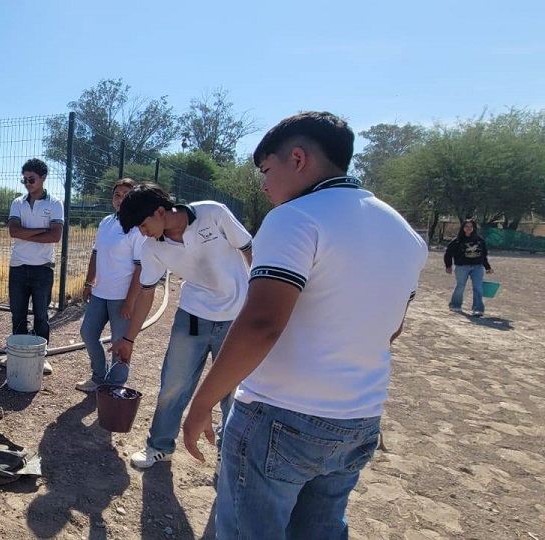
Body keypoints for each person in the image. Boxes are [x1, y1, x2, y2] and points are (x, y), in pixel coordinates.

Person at [180, 112, 428, 539]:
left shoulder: (293, 218)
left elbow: (261, 323)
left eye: (266, 170)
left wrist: (202, 404)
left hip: (280, 415)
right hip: (359, 417)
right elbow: (393, 330)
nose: (264, 185)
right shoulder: (403, 231)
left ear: (297, 159)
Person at [112, 183, 253, 469]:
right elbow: (147, 292)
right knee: (174, 384)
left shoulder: (213, 213)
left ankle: (229, 456)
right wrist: (128, 339)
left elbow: (249, 249)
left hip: (236, 316)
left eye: (143, 224)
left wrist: (260, 298)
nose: (143, 233)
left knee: (232, 390)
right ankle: (160, 446)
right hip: (193, 316)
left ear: (160, 211)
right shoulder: (153, 247)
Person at [76, 178, 145, 392]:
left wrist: (130, 301)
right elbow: (96, 253)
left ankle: (116, 384)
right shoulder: (106, 222)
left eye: (126, 195)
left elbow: (140, 267)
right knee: (88, 333)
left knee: (119, 342)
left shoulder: (137, 228)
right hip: (100, 292)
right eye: (117, 194)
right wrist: (89, 282)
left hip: (122, 296)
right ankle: (98, 377)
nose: (120, 199)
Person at [7, 158, 64, 374]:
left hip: (42, 268)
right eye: (24, 180)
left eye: (32, 179)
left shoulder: (55, 204)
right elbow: (13, 231)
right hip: (18, 266)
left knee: (41, 315)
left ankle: (41, 356)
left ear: (43, 178)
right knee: (18, 313)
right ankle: (17, 354)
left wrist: (25, 233)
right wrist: (42, 230)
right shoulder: (18, 202)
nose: (28, 184)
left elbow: (55, 236)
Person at [445, 219, 494, 317]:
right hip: (462, 267)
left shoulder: (480, 240)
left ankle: (478, 309)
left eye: (471, 226)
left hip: (477, 267)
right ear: (463, 228)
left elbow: (483, 255)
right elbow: (448, 254)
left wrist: (487, 267)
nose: (468, 228)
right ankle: (455, 305)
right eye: (466, 226)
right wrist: (448, 266)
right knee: (460, 285)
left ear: (474, 228)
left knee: (478, 287)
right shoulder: (457, 241)